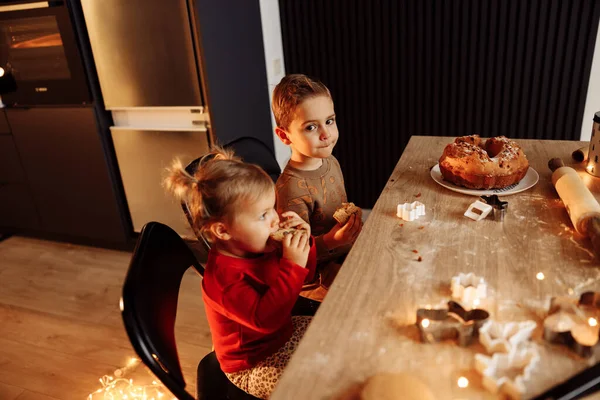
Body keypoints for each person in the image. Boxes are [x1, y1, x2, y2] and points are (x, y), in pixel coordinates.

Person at [164, 147, 317, 399]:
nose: (275, 220)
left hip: (284, 330)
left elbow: (307, 277)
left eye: (273, 209)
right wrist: (292, 265)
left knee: (339, 333)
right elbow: (266, 321)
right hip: (253, 363)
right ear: (223, 231)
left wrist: (305, 244)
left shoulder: (259, 244)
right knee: (314, 388)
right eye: (263, 215)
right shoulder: (223, 280)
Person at [272, 74, 362, 299]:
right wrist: (333, 240)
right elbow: (293, 256)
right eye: (311, 127)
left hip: (345, 253)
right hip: (316, 279)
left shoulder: (330, 161)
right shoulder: (290, 189)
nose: (326, 134)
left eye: (329, 121)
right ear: (284, 136)